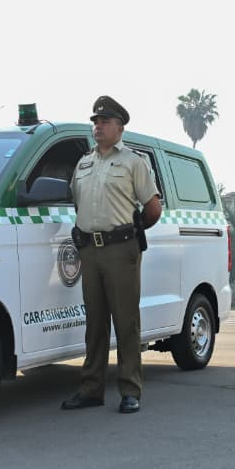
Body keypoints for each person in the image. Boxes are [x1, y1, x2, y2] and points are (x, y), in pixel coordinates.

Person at [61, 95, 162, 415]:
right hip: (90, 250)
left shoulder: (133, 162)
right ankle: (91, 389)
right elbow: (79, 204)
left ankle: (130, 389)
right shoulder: (84, 163)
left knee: (126, 321)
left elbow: (153, 207)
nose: (98, 126)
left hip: (122, 250)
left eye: (104, 122)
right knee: (95, 323)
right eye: (95, 122)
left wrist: (131, 233)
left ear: (120, 127)